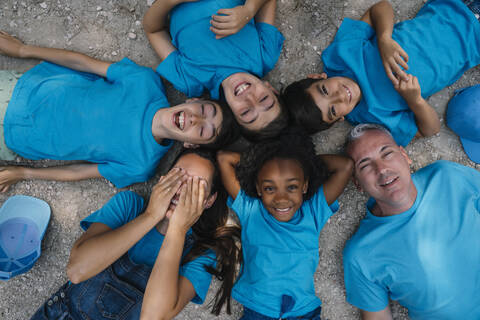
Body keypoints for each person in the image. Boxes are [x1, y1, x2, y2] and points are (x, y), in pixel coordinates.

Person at [0, 30, 239, 192]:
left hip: (14, 139)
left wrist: (23, 173)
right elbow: (84, 63)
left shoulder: (141, 165)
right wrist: (23, 50)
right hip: (20, 89)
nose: (195, 119)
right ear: (193, 99)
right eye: (205, 110)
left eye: (203, 130)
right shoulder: (145, 82)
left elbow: (80, 170)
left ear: (192, 145)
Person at [30, 149, 242, 320]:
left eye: (196, 187)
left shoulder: (203, 254)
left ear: (209, 201)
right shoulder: (128, 206)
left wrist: (177, 229)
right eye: (178, 176)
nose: (182, 190)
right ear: (163, 178)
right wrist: (150, 215)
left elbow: (153, 316)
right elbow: (77, 270)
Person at [282, 0, 480, 146]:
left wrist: (384, 39)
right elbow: (430, 129)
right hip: (474, 43)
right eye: (333, 110)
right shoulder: (373, 119)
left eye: (325, 90)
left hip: (450, 7)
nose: (340, 96)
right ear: (339, 120)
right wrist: (415, 100)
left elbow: (380, 8)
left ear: (317, 77)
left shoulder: (339, 56)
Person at [343, 123, 480, 319]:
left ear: (404, 155)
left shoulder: (446, 175)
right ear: (358, 184)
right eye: (365, 165)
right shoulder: (360, 254)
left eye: (387, 153)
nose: (381, 169)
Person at [217, 129, 353, 319]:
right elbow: (224, 159)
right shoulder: (252, 211)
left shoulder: (313, 211)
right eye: (269, 188)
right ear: (258, 188)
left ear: (304, 186)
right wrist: (260, 161)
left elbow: (345, 166)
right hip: (258, 309)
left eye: (291, 187)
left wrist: (304, 161)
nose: (281, 199)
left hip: (303, 310)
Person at [143, 0, 288, 140]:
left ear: (232, 115)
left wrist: (170, 1)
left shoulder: (190, 81)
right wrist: (249, 10)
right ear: (271, 89)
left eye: (245, 112)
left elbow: (153, 31)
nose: (250, 98)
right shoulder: (265, 56)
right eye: (264, 99)